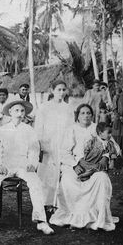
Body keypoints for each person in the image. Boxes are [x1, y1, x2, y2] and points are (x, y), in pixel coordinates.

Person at [0, 100, 54, 235]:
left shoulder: (29, 130)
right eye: (16, 110)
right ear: (10, 112)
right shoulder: (2, 130)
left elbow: (34, 150)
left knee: (36, 183)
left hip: (23, 165)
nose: (20, 114)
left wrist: (32, 163)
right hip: (6, 165)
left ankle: (41, 221)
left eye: (22, 111)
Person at [50, 121, 119, 231]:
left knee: (100, 177)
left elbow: (116, 149)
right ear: (78, 116)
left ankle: (97, 216)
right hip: (80, 161)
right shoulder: (72, 129)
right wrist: (75, 164)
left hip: (97, 163)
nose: (86, 116)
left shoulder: (100, 132)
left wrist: (108, 157)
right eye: (82, 113)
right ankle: (73, 215)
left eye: (88, 113)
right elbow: (65, 152)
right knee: (68, 179)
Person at [35, 80, 74, 210]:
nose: (62, 92)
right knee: (46, 174)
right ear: (52, 90)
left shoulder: (68, 108)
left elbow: (70, 128)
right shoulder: (44, 107)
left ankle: (58, 204)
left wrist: (69, 146)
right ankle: (45, 203)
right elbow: (38, 127)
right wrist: (41, 144)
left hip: (63, 144)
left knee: (61, 173)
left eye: (64, 90)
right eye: (59, 89)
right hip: (48, 144)